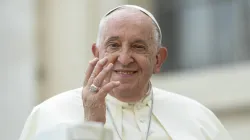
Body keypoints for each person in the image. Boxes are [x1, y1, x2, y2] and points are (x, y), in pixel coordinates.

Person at [19, 5, 232, 140]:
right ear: (97, 53)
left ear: (158, 60)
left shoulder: (199, 119)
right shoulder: (50, 115)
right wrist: (92, 124)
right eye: (113, 45)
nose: (124, 58)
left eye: (138, 46)